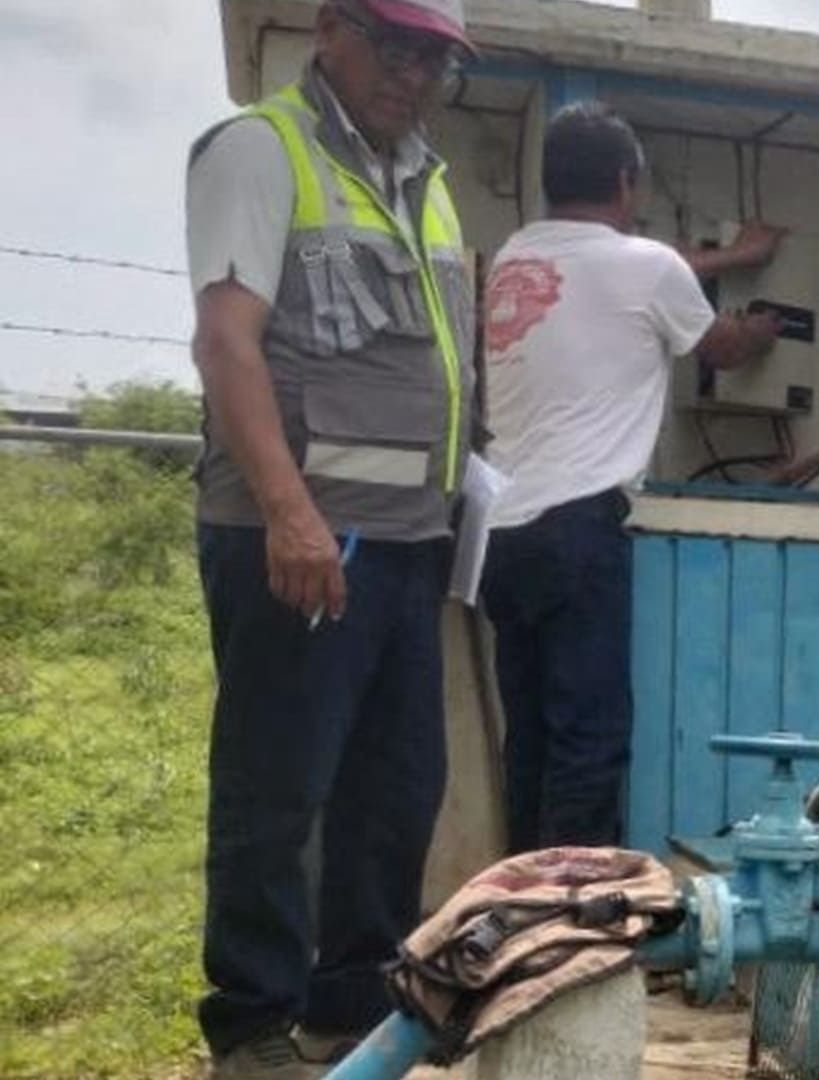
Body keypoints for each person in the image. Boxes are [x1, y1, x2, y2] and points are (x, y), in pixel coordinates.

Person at [184, 0, 478, 1075]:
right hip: (302, 537)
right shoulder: (261, 151)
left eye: (435, 60)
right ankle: (253, 1025)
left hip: (407, 541)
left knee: (394, 791)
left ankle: (351, 1007)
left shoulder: (427, 181)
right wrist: (288, 510)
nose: (414, 76)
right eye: (395, 46)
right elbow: (227, 344)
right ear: (330, 28)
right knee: (277, 786)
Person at [479, 101, 782, 853]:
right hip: (578, 526)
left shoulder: (515, 258)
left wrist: (720, 258)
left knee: (533, 739)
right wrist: (761, 328)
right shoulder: (649, 270)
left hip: (501, 531)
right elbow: (721, 347)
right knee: (589, 738)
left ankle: (521, 897)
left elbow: (629, 270)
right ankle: (571, 909)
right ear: (625, 182)